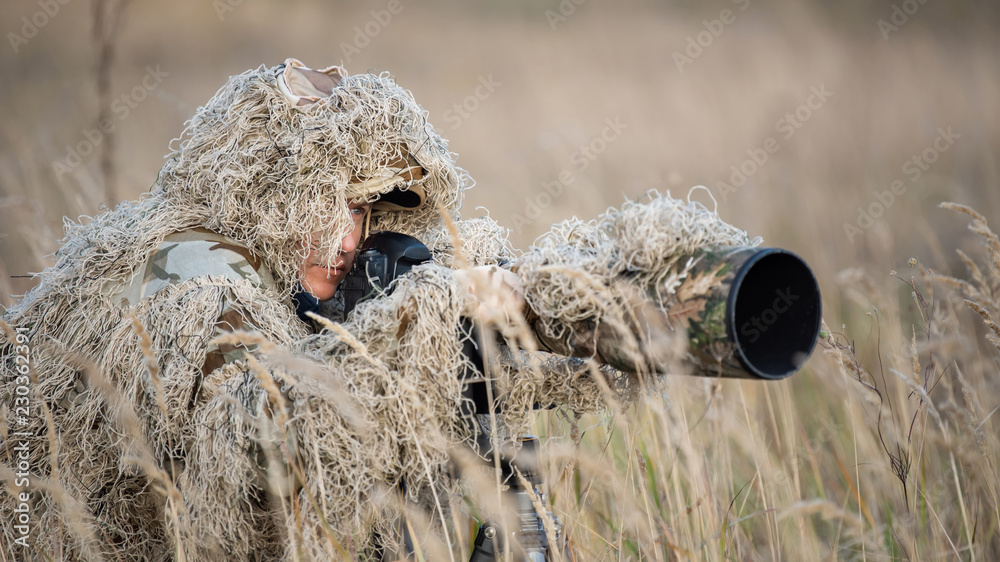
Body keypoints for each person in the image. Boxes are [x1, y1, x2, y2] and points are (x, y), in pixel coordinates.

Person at [1, 59, 756, 561]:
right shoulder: (185, 270)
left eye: (365, 213)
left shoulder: (278, 275)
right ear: (268, 188)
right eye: (334, 202)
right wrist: (416, 327)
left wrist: (565, 305)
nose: (349, 238)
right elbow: (255, 453)